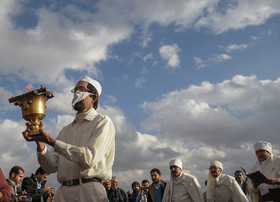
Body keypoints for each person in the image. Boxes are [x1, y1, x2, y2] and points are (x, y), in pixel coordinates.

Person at [22, 76, 116, 202]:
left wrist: (52, 142)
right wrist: (40, 143)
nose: (76, 92)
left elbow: (89, 158)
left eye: (81, 89)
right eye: (75, 89)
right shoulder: (66, 130)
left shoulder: (102, 122)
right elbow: (51, 166)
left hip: (89, 191)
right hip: (63, 193)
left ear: (94, 97)